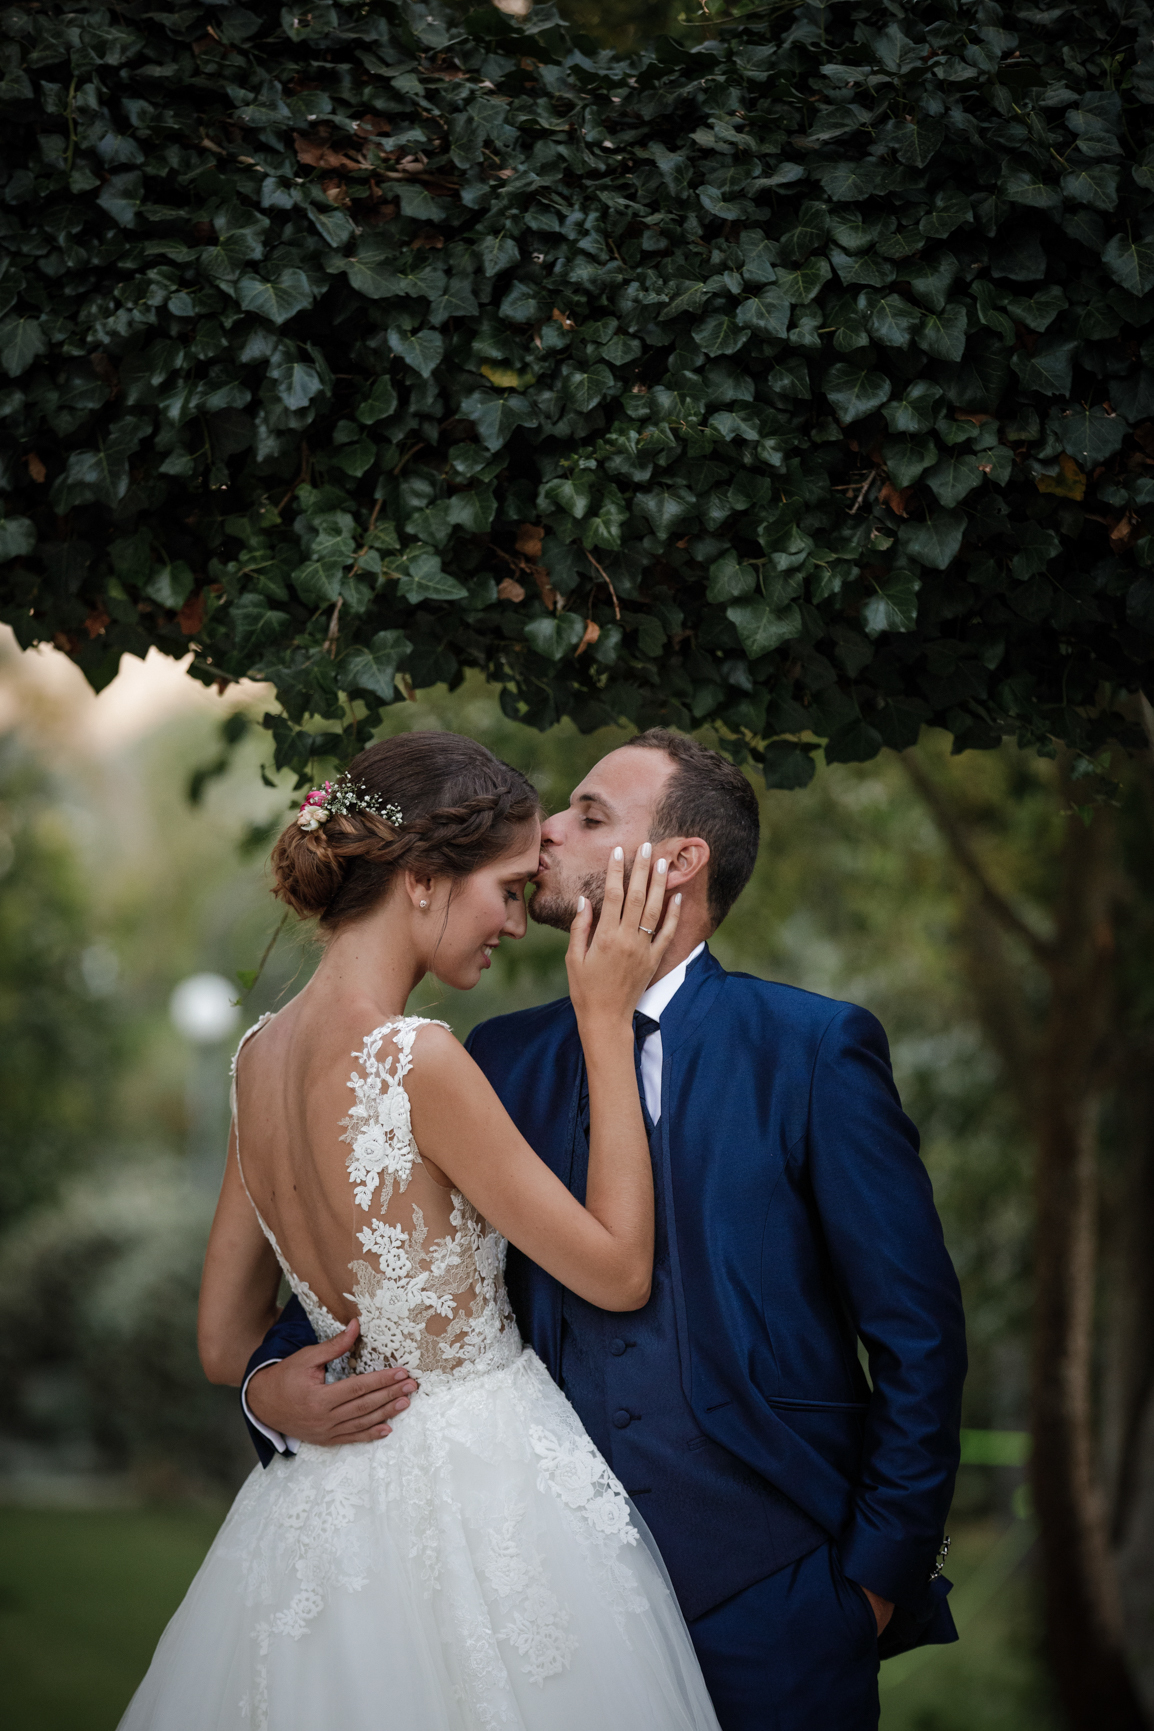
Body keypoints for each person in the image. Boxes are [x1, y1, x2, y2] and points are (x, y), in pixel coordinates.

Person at [246, 728, 968, 1731]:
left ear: (676, 864)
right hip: (534, 1596)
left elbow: (918, 1336)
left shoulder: (808, 1051)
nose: (542, 831)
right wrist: (265, 1386)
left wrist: (867, 1587)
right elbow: (374, 1268)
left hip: (773, 1600)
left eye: (586, 817)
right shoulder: (490, 1056)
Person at [118, 731, 723, 1731]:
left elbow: (226, 1345)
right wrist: (604, 1024)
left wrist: (276, 1388)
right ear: (421, 880)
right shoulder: (417, 1061)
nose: (518, 925)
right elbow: (616, 1272)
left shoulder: (255, 1061)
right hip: (482, 1492)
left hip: (323, 1496)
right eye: (507, 890)